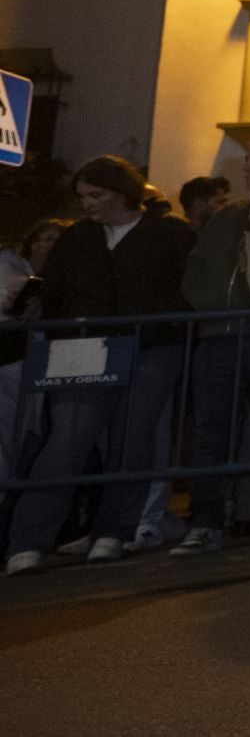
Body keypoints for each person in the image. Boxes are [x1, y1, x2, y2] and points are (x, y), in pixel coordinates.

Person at [5, 158, 197, 575]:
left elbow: (189, 288)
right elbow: (54, 289)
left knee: (133, 435)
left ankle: (112, 531)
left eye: (96, 195)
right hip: (87, 345)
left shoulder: (170, 233)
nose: (88, 204)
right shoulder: (79, 238)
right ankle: (29, 541)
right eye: (83, 197)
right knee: (68, 438)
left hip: (150, 344)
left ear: (122, 192)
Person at [170, 135, 250, 557]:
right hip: (219, 336)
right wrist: (209, 304)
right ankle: (206, 521)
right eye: (246, 159)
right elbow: (197, 266)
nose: (247, 166)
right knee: (211, 433)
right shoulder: (229, 217)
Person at [1, 220, 65, 489]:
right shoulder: (10, 265)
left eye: (53, 239)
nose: (46, 245)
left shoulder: (58, 274)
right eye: (42, 239)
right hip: (11, 355)